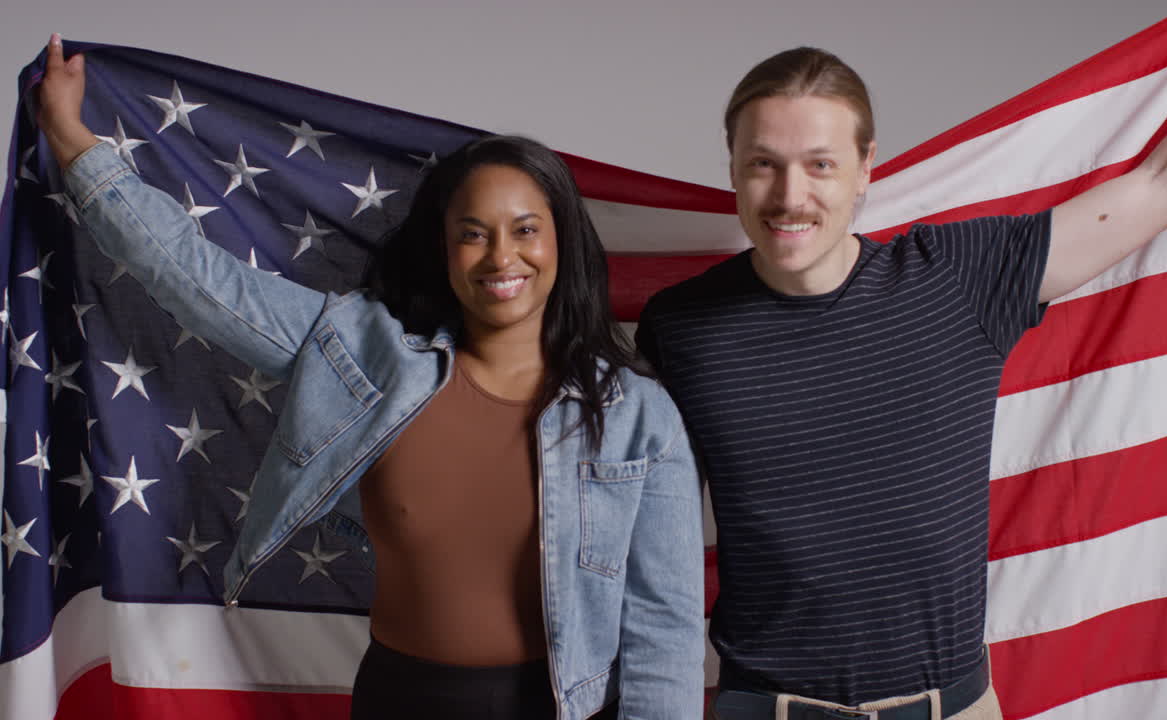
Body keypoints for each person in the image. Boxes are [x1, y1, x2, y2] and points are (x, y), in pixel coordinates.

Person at [36, 34, 705, 720]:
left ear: (562, 239)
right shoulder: (362, 356)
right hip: (399, 700)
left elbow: (664, 633)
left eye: (526, 229)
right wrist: (72, 141)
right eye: (474, 233)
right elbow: (205, 285)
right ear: (444, 249)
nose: (502, 256)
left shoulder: (638, 416)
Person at [636, 24, 1167, 720]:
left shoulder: (960, 278)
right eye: (764, 163)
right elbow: (636, 533)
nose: (791, 195)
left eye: (820, 164)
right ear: (732, 165)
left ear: (865, 166)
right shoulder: (681, 327)